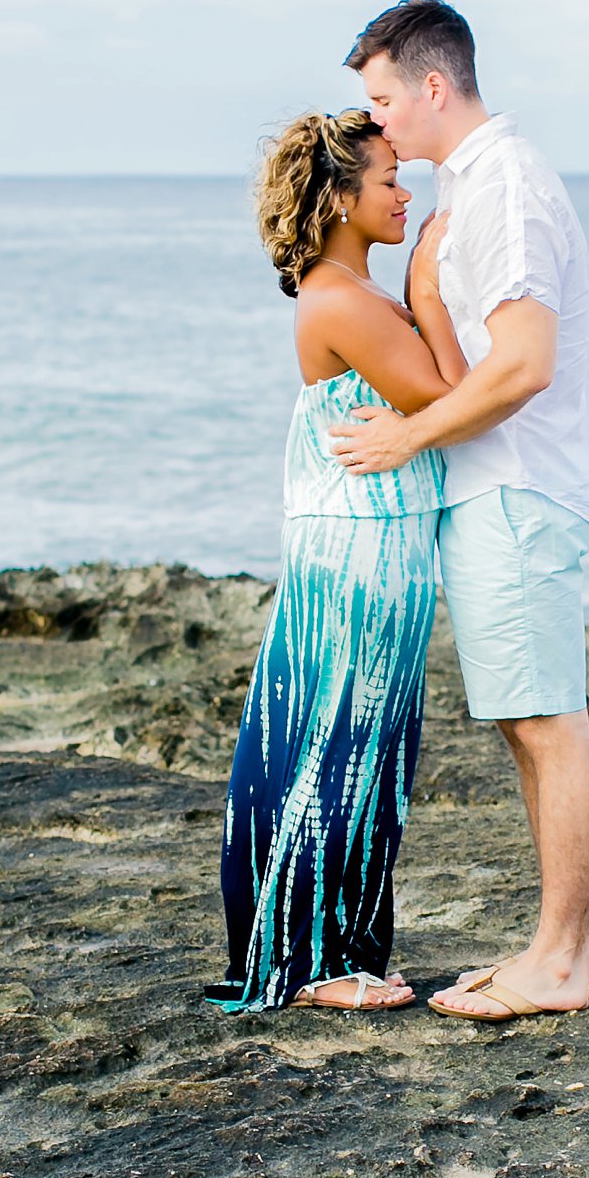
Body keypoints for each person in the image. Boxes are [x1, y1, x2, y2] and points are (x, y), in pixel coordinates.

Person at [332, 0, 589, 1022]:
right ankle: (574, 944)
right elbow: (475, 356)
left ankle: (551, 958)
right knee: (525, 720)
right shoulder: (474, 191)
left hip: (518, 486)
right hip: (496, 487)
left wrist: (405, 436)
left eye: (381, 101)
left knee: (546, 722)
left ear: (433, 86)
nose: (377, 128)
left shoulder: (502, 186)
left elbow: (525, 365)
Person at [211, 109, 468, 1013]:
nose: (405, 194)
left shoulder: (357, 296)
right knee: (336, 747)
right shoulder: (340, 299)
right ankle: (310, 965)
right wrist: (429, 291)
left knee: (370, 754)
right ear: (338, 196)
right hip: (357, 555)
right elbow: (448, 397)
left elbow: (428, 409)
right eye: (390, 180)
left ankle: (344, 947)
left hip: (383, 547)